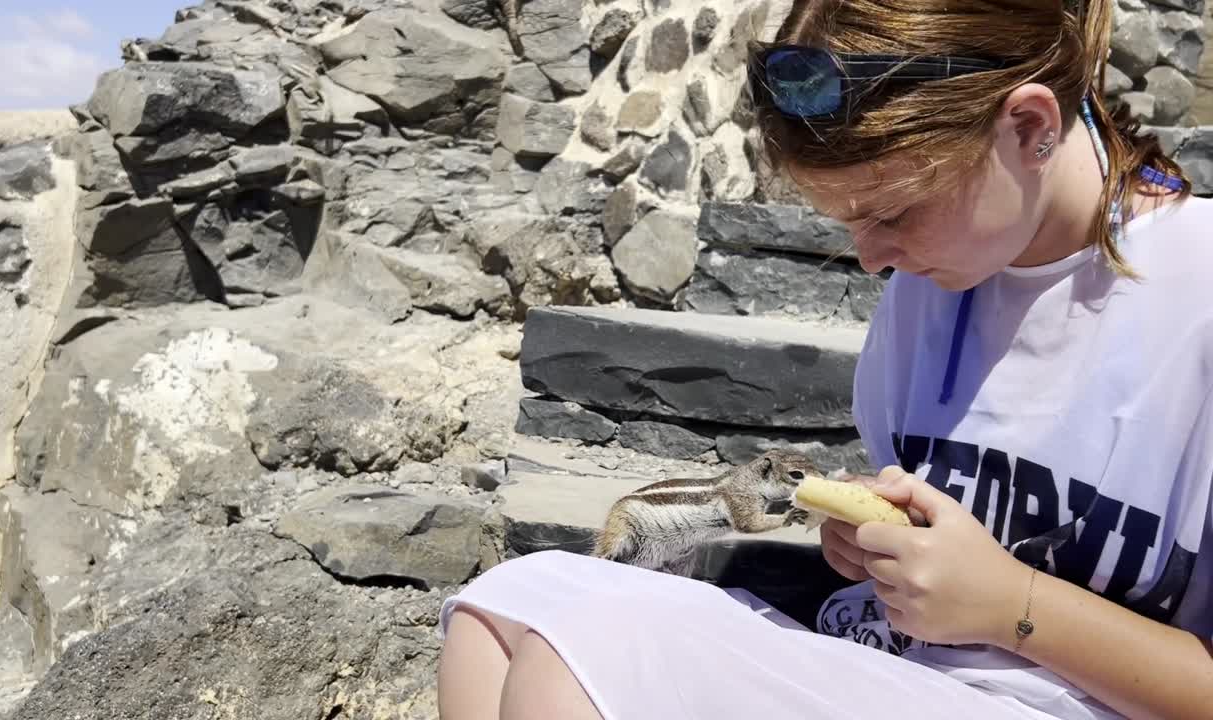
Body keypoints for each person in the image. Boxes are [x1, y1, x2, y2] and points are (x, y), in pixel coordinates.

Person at [434, 0, 1213, 717]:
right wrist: (875, 543)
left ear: (1030, 126)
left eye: (892, 212)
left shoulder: (1195, 301)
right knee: (502, 612)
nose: (871, 259)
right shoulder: (936, 282)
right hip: (906, 669)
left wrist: (1011, 604)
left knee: (575, 664)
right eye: (845, 220)